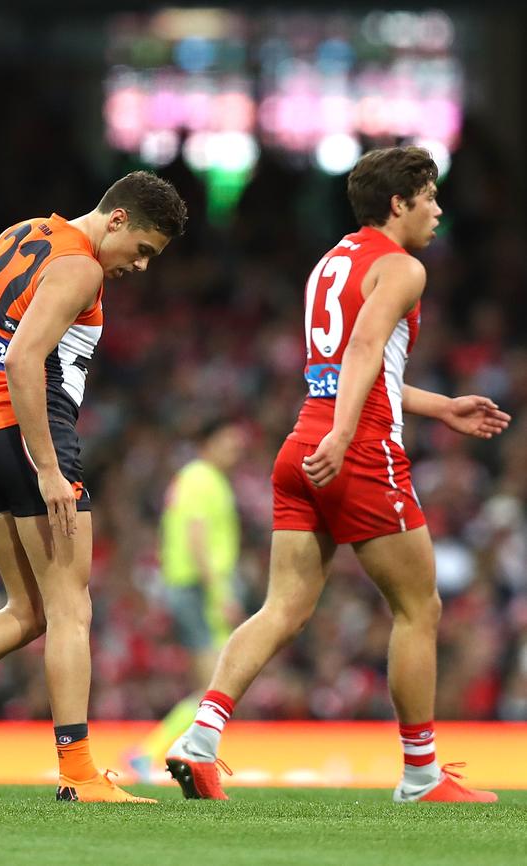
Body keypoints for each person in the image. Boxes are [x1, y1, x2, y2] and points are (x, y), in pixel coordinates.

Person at [165, 146, 511, 803]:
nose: (439, 210)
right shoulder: (403, 268)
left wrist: (443, 408)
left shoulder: (330, 264)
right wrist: (349, 435)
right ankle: (420, 774)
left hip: (301, 446)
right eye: (430, 198)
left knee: (283, 607)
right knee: (419, 607)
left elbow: (343, 370)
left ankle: (201, 738)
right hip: (355, 449)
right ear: (398, 204)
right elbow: (361, 351)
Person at [0, 170, 187, 803]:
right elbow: (28, 358)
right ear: (117, 220)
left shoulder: (19, 235)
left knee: (27, 610)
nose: (139, 267)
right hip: (36, 438)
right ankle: (79, 772)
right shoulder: (81, 267)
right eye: (142, 250)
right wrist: (50, 468)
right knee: (70, 609)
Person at [127, 419, 245, 780]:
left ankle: (167, 751)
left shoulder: (195, 478)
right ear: (208, 441)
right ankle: (152, 752)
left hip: (192, 588)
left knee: (215, 685)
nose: (236, 451)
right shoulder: (202, 479)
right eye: (229, 442)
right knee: (216, 687)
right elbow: (197, 540)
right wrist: (220, 594)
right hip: (199, 589)